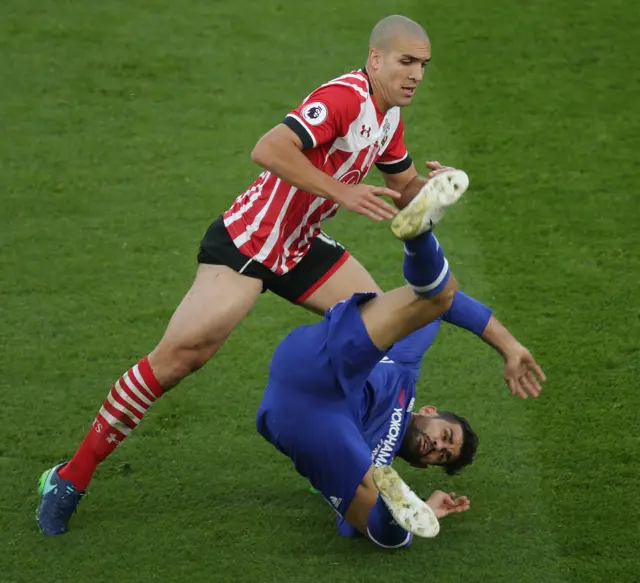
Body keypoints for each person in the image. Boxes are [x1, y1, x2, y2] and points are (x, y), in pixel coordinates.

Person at [38, 14, 480, 535]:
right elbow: (268, 149)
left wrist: (436, 190)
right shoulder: (345, 98)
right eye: (406, 62)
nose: (416, 75)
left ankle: (340, 463)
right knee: (182, 357)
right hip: (248, 244)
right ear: (376, 58)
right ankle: (68, 477)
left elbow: (404, 187)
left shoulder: (387, 119)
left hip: (300, 247)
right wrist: (341, 192)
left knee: (382, 330)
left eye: (423, 66)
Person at [256, 224, 546, 549]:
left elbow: (349, 526)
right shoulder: (404, 370)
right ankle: (418, 230)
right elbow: (443, 302)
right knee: (434, 296)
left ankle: (404, 513)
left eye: (441, 457)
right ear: (429, 411)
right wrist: (509, 346)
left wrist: (423, 511)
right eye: (445, 436)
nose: (438, 446)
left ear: (422, 465)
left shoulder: (378, 463)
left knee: (388, 537)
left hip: (305, 419)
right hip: (323, 362)